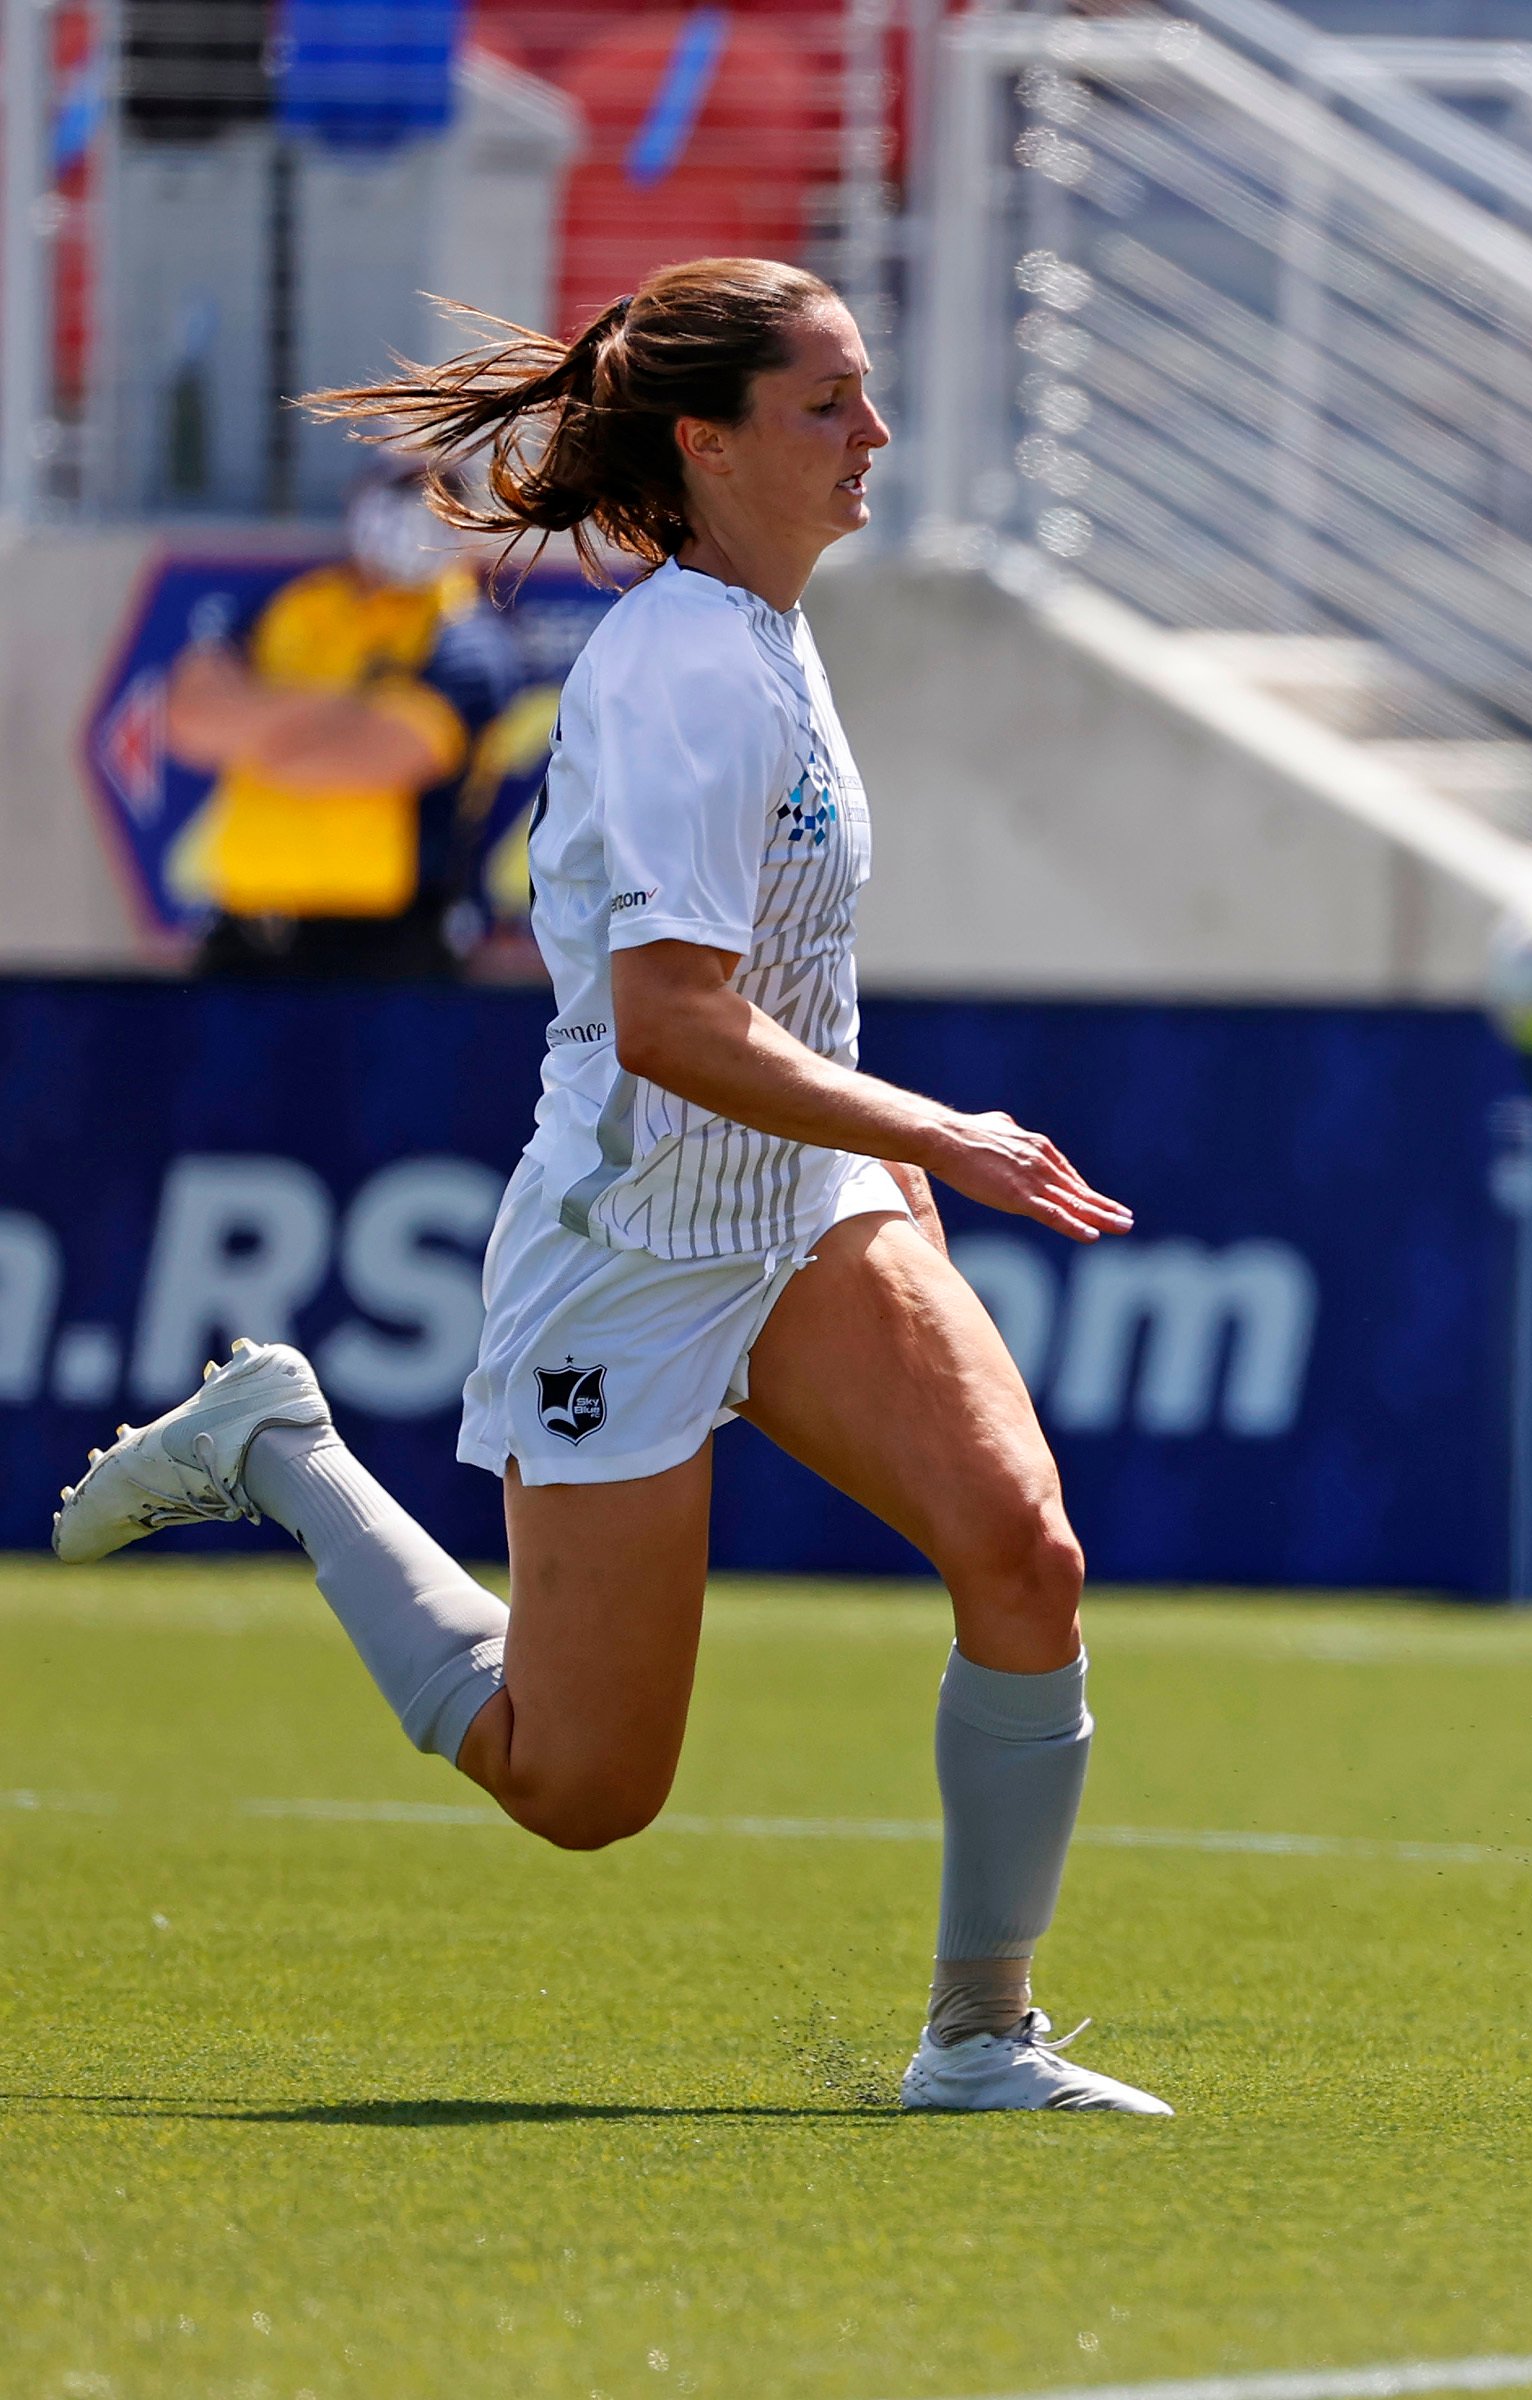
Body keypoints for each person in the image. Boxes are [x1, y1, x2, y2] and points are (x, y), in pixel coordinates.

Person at [49, 257, 1169, 2116]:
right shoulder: (673, 675)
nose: (873, 434)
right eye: (827, 404)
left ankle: (980, 2036)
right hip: (630, 1242)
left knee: (1026, 1554)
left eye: (865, 393)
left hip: (804, 1213)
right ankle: (282, 1451)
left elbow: (781, 993)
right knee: (582, 1786)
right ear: (705, 446)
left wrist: (889, 1177)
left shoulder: (771, 633)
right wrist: (929, 1129)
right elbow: (665, 1024)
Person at [163, 448, 525, 980]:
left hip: (385, 944)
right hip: (243, 931)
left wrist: (254, 725)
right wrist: (352, 704)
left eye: (445, 497)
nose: (420, 512)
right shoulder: (292, 605)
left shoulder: (469, 642)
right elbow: (190, 719)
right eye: (403, 491)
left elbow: (368, 759)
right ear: (361, 496)